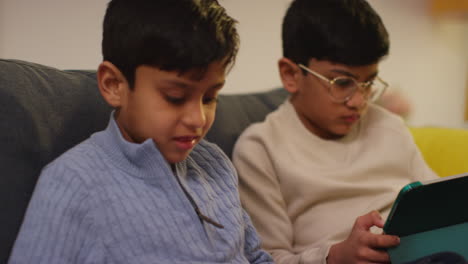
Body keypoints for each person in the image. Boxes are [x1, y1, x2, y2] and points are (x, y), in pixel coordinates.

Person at [8, 0, 273, 263]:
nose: (198, 119)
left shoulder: (214, 162)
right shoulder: (73, 184)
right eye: (175, 97)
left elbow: (255, 256)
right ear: (114, 85)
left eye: (209, 98)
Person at [232, 0, 438, 263]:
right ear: (290, 75)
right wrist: (334, 256)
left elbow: (437, 203)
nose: (359, 101)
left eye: (369, 82)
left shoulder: (389, 126)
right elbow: (267, 258)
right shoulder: (260, 149)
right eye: (342, 83)